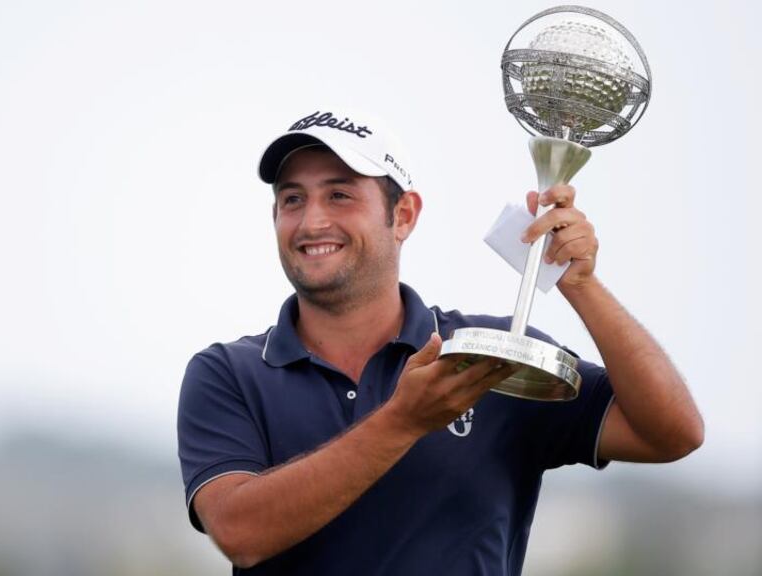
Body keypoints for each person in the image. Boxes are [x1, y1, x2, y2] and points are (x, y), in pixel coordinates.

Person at [176, 108, 703, 575]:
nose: (312, 220)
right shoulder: (228, 372)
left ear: (403, 215)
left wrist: (581, 286)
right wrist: (403, 422)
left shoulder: (491, 356)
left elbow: (672, 433)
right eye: (293, 199)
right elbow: (240, 534)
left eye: (339, 194)